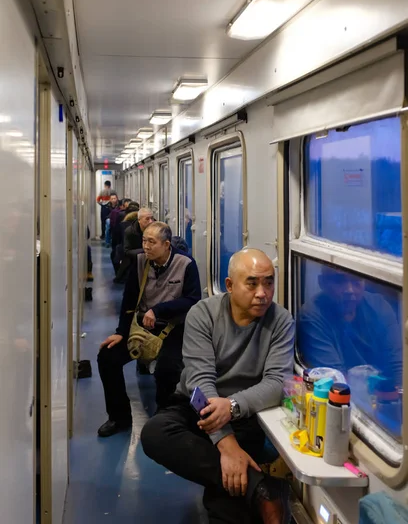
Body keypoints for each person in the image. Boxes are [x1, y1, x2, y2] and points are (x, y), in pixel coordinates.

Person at [141, 249, 295, 524]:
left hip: (244, 413)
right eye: (252, 283)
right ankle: (260, 486)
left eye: (269, 282)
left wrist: (233, 407)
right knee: (155, 433)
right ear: (229, 285)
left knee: (227, 509)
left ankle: (248, 486)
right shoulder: (203, 313)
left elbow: (275, 384)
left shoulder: (281, 321)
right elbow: (200, 381)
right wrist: (227, 445)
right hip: (196, 404)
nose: (263, 292)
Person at [97, 221, 201, 437]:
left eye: (151, 242)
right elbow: (129, 300)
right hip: (143, 327)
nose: (145, 246)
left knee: (167, 369)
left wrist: (160, 310)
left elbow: (193, 300)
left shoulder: (186, 264)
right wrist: (120, 332)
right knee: (107, 357)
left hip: (174, 328)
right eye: (144, 240)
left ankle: (165, 422)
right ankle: (119, 417)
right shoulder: (139, 262)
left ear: (166, 244)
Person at [296, 265, 402, 388]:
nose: (350, 290)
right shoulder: (312, 316)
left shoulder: (379, 306)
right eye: (339, 281)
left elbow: (398, 366)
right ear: (322, 282)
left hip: (385, 392)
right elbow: (336, 378)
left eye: (356, 280)